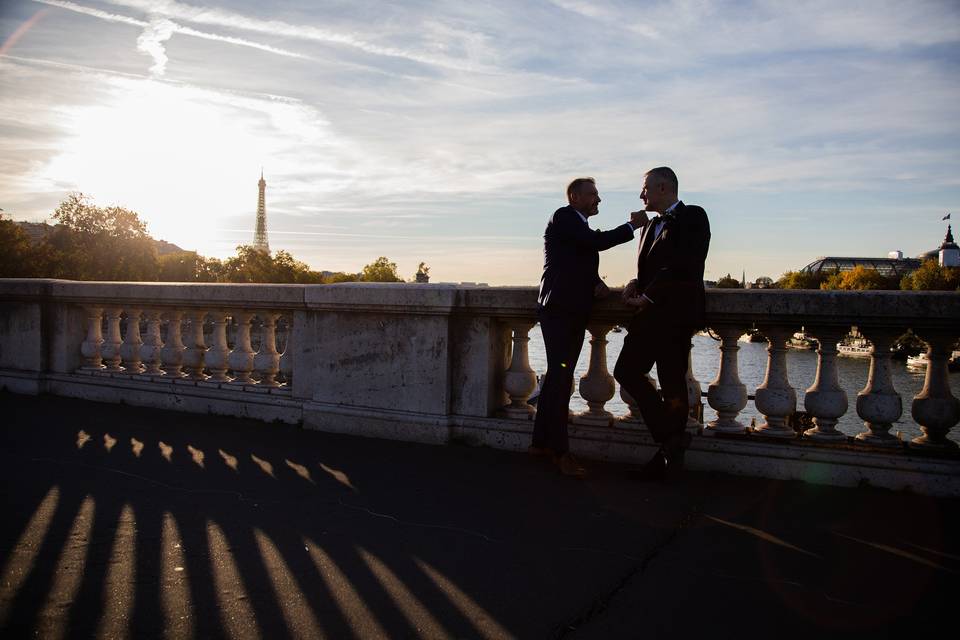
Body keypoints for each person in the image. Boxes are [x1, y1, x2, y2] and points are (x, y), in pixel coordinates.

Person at [532, 177, 642, 477]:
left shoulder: (575, 224)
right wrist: (632, 226)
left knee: (557, 377)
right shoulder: (565, 216)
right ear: (575, 197)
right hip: (561, 310)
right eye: (593, 194)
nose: (599, 199)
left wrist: (595, 282)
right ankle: (560, 452)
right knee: (560, 378)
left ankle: (541, 443)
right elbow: (594, 243)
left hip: (565, 308)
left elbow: (573, 259)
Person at [614, 167, 711, 481]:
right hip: (648, 315)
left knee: (672, 384)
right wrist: (633, 284)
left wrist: (648, 297)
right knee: (625, 371)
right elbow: (651, 269)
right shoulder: (649, 225)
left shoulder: (693, 216)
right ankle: (671, 441)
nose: (641, 195)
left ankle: (667, 456)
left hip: (675, 315)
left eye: (645, 189)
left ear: (663, 188)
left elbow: (684, 265)